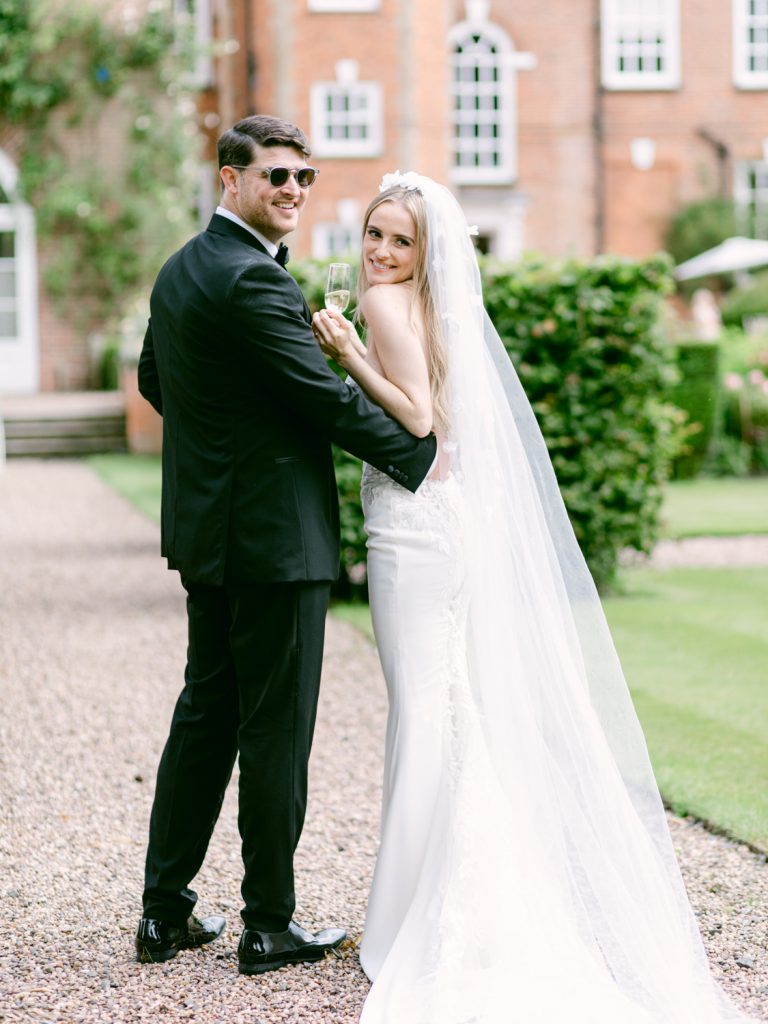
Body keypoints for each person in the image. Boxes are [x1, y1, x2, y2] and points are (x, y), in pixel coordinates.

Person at [311, 172, 756, 1023]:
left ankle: (408, 917)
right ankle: (423, 897)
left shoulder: (388, 310)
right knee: (443, 707)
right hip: (442, 524)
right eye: (374, 234)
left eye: (400, 241)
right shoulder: (423, 307)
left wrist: (349, 355)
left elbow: (419, 420)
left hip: (417, 529)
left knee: (423, 711)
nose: (381, 251)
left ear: (426, 251)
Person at [134, 120, 436, 975]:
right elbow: (326, 404)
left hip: (210, 532)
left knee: (206, 717)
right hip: (276, 541)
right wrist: (419, 454)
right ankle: (269, 924)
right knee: (274, 732)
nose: (294, 190)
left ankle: (164, 913)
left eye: (304, 176)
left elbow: (161, 382)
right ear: (229, 181)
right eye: (276, 176)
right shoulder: (255, 284)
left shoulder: (182, 270)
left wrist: (226, 440)